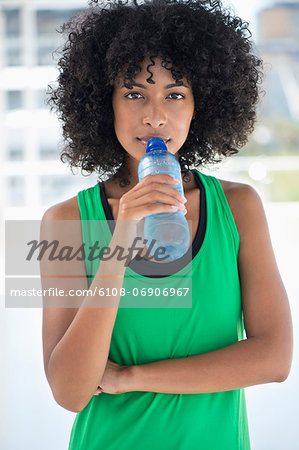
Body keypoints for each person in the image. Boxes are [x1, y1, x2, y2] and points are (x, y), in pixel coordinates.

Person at [41, 0, 293, 449]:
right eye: (134, 93)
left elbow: (274, 359)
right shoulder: (63, 222)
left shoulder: (239, 207)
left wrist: (131, 378)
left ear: (201, 106)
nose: (155, 115)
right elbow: (68, 391)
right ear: (106, 103)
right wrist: (120, 242)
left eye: (175, 94)